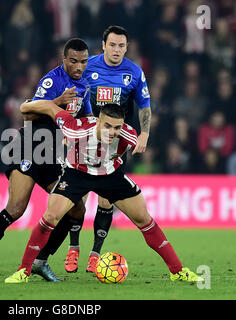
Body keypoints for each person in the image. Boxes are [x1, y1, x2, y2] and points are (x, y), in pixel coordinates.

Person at [4, 100, 203, 284]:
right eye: (107, 126)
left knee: (144, 219)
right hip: (77, 175)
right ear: (98, 121)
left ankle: (177, 271)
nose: (112, 132)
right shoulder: (75, 128)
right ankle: (24, 270)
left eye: (117, 127)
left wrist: (113, 159)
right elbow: (50, 108)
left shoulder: (129, 134)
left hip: (110, 176)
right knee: (50, 217)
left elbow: (122, 150)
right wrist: (27, 105)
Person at [0, 38, 92, 283]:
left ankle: (41, 262)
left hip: (52, 154)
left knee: (75, 208)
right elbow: (27, 110)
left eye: (83, 62)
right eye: (73, 61)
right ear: (64, 59)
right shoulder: (52, 80)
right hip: (28, 148)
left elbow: (86, 118)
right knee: (16, 209)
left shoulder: (84, 85)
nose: (79, 66)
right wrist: (57, 102)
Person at [39, 25, 152, 274]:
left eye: (121, 46)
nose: (117, 50)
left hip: (115, 139)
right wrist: (66, 129)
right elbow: (70, 93)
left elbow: (144, 105)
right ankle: (74, 248)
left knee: (105, 197)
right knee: (77, 198)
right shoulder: (87, 66)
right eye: (112, 44)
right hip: (83, 136)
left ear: (127, 47)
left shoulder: (134, 72)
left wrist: (144, 133)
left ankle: (95, 253)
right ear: (103, 45)